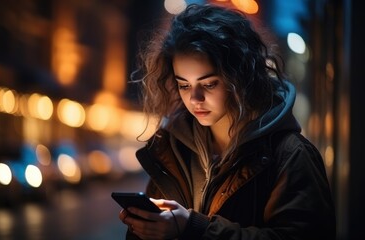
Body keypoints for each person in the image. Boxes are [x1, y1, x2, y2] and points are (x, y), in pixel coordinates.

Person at [119, 3, 336, 240]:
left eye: (209, 84)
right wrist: (144, 228)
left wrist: (194, 229)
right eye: (184, 85)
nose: (195, 99)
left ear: (240, 77)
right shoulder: (173, 149)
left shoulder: (290, 155)